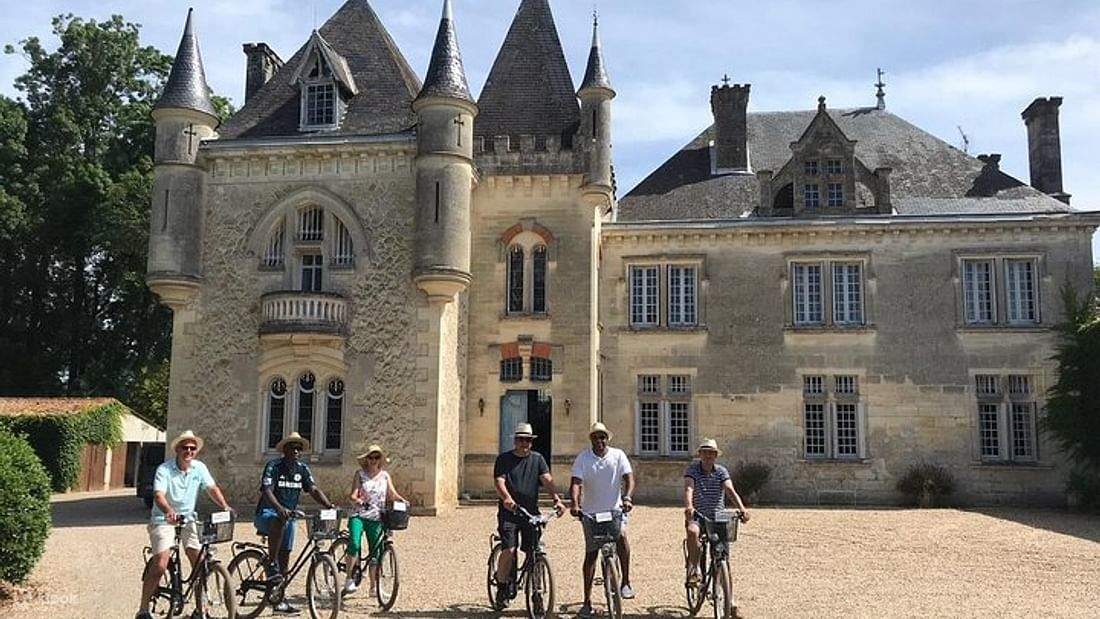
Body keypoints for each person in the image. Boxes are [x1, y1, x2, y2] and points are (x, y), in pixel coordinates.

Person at [136, 431, 233, 619]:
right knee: (161, 564)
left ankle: (200, 610)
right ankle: (143, 609)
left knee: (199, 562)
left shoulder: (199, 468)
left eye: (192, 448)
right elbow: (158, 495)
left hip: (189, 518)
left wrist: (225, 506)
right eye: (185, 448)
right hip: (163, 519)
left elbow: (211, 488)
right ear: (177, 450)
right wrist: (168, 511)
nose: (189, 451)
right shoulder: (164, 469)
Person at [254, 431, 336, 614]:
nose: (297, 451)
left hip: (288, 516)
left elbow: (313, 489)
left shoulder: (302, 469)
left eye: (299, 448)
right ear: (285, 450)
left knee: (286, 559)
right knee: (277, 524)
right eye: (293, 447)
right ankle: (271, 562)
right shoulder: (273, 466)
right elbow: (266, 490)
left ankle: (279, 600)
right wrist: (278, 507)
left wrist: (329, 505)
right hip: (268, 513)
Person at [493, 422, 566, 606]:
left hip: (530, 514)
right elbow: (499, 482)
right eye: (521, 439)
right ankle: (501, 587)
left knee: (533, 552)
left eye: (527, 440)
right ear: (515, 441)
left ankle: (537, 594)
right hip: (509, 514)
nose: (524, 443)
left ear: (531, 442)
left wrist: (556, 499)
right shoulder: (504, 459)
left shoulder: (538, 459)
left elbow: (547, 480)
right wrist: (507, 499)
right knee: (509, 550)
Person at [570, 422, 636, 618]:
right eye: (596, 437)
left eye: (603, 437)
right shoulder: (583, 458)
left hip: (614, 510)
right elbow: (576, 483)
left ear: (607, 439)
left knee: (622, 537)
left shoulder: (618, 455)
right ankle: (587, 601)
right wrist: (575, 504)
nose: (599, 441)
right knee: (591, 554)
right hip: (591, 513)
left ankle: (625, 582)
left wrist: (628, 497)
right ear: (591, 439)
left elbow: (629, 479)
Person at [342, 444, 408, 596]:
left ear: (380, 460)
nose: (373, 460)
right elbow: (352, 495)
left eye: (376, 457)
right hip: (359, 515)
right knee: (354, 543)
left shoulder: (385, 476)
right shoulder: (359, 474)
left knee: (375, 552)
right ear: (366, 459)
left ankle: (373, 587)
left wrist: (403, 501)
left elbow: (392, 494)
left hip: (376, 517)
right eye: (370, 457)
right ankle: (349, 578)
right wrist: (358, 500)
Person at [684, 439, 750, 587]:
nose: (708, 455)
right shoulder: (692, 470)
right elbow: (689, 488)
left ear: (716, 455)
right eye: (705, 452)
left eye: (712, 453)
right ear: (700, 454)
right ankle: (694, 570)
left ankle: (729, 598)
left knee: (723, 556)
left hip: (718, 516)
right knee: (692, 532)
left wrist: (742, 508)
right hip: (698, 515)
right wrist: (689, 507)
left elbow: (730, 490)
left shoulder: (721, 471)